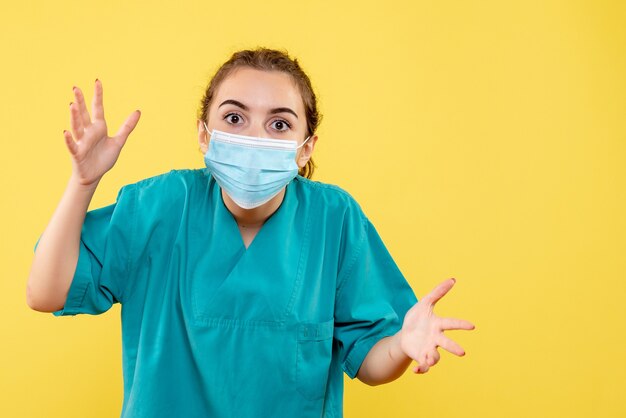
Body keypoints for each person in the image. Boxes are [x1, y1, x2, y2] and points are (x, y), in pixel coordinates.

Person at [27, 47, 476, 418]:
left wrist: (400, 344)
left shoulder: (333, 219)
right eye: (235, 118)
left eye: (279, 124)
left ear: (306, 148)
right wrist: (83, 183)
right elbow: (44, 293)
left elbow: (371, 361)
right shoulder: (161, 207)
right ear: (204, 134)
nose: (255, 139)